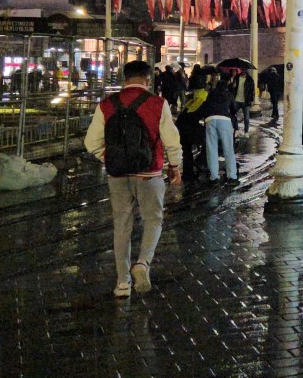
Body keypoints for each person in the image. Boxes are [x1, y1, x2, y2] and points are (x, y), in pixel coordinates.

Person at [83, 60, 182, 298]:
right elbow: (171, 140)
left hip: (117, 175)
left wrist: (108, 158)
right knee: (153, 220)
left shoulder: (106, 105)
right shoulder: (158, 104)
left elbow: (90, 143)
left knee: (122, 226)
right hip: (149, 174)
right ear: (148, 79)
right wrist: (175, 166)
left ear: (124, 78)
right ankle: (143, 263)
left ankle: (122, 283)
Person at [199, 71, 238, 183]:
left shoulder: (211, 94)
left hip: (210, 120)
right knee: (228, 148)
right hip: (225, 120)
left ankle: (214, 176)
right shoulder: (228, 94)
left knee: (211, 148)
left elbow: (205, 106)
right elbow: (234, 108)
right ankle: (232, 176)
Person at [230, 68, 256, 134]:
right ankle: (235, 128)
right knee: (232, 114)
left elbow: (252, 91)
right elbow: (232, 88)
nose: (243, 71)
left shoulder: (250, 79)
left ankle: (246, 131)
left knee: (246, 118)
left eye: (244, 70)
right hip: (237, 100)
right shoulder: (237, 77)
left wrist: (252, 100)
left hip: (246, 101)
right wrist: (233, 86)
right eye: (242, 69)